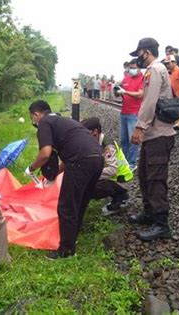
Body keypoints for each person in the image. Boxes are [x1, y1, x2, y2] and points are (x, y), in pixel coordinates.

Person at [26, 100, 103, 259]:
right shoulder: (65, 121)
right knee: (80, 201)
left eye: (33, 117)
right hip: (97, 158)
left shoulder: (44, 123)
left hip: (80, 162)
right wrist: (54, 176)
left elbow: (45, 153)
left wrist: (31, 168)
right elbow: (70, 156)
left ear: (36, 114)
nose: (34, 121)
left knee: (66, 206)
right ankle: (73, 237)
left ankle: (66, 250)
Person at [129, 37, 175, 241]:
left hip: (158, 134)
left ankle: (161, 224)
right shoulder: (156, 70)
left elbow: (150, 101)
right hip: (153, 134)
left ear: (146, 52)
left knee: (156, 179)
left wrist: (139, 126)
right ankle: (149, 214)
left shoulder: (154, 70)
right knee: (145, 175)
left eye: (138, 54)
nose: (137, 59)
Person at [80, 117, 133, 216]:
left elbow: (112, 169)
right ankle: (119, 195)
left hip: (121, 181)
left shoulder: (108, 147)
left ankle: (120, 198)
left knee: (89, 188)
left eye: (86, 134)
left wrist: (91, 175)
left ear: (95, 132)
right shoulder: (98, 142)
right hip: (116, 179)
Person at [118, 59, 144, 169]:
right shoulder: (126, 78)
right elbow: (122, 94)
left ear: (139, 68)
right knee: (124, 140)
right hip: (124, 112)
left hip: (134, 113)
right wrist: (118, 91)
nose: (131, 70)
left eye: (134, 68)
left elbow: (140, 94)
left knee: (133, 140)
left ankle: (132, 163)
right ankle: (125, 162)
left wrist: (125, 92)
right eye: (130, 68)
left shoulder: (142, 79)